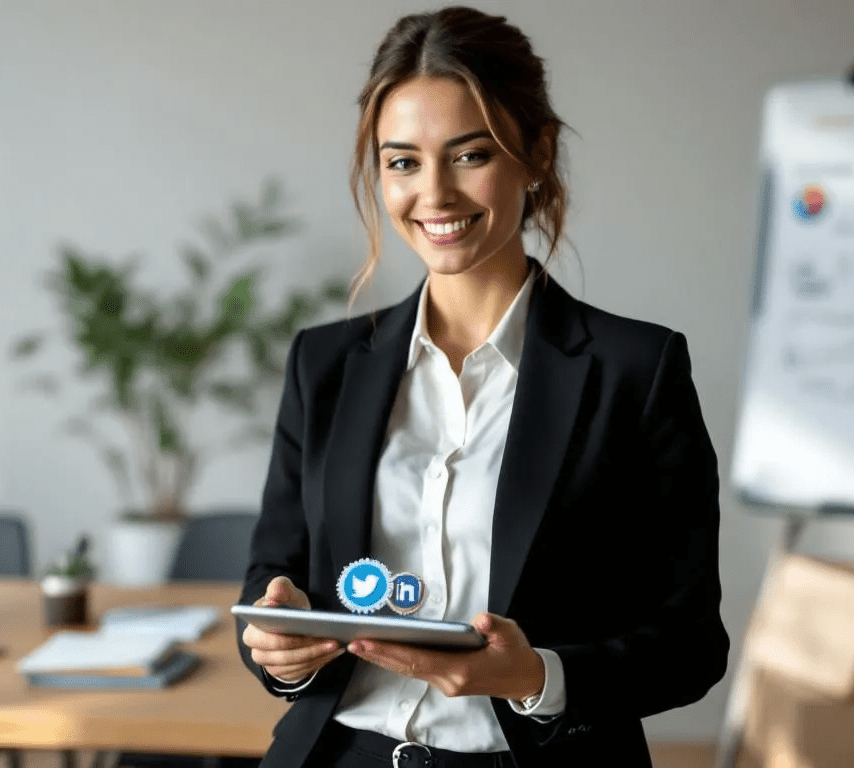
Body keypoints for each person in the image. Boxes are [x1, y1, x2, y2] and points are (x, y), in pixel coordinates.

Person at [237, 6, 728, 767]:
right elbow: (274, 577)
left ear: (537, 154)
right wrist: (279, 645)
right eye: (403, 162)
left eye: (469, 155)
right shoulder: (323, 364)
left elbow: (690, 645)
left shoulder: (636, 371)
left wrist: (537, 678)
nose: (434, 194)